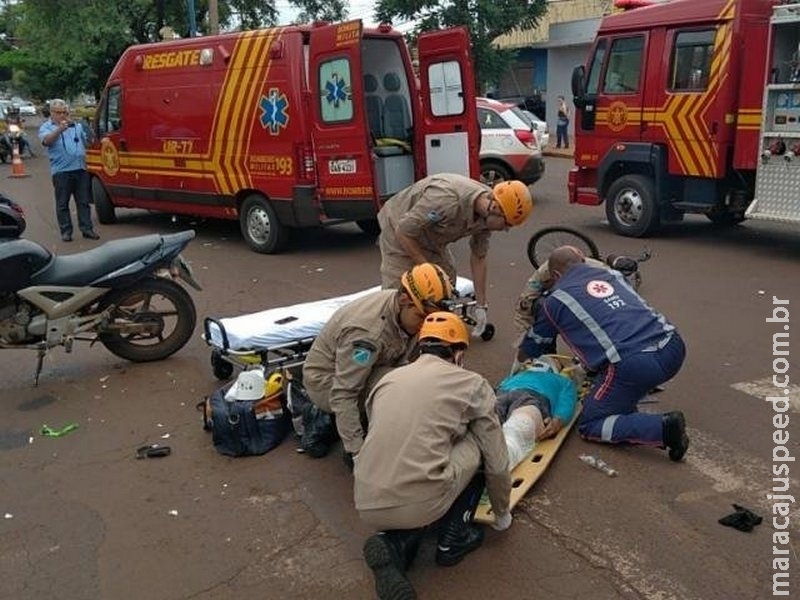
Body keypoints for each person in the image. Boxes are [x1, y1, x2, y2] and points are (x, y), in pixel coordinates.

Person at [355, 312, 512, 600]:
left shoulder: (388, 380)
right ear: (458, 352)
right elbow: (497, 462)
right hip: (422, 498)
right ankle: (453, 541)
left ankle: (394, 544)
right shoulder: (472, 383)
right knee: (480, 443)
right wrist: (502, 514)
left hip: (366, 499)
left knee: (424, 450)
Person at [517, 246, 689, 461]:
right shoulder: (612, 274)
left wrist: (518, 370)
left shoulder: (556, 301)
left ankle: (662, 429)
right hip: (673, 345)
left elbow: (534, 346)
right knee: (616, 371)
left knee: (592, 424)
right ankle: (625, 394)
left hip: (634, 364)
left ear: (556, 276)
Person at [301, 262, 454, 464]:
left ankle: (365, 419)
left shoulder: (402, 309)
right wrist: (356, 452)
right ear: (404, 299)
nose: (424, 325)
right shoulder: (368, 334)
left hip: (367, 368)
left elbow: (400, 358)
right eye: (421, 317)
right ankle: (333, 420)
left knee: (413, 382)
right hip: (326, 383)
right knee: (397, 389)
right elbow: (344, 393)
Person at [377, 173, 533, 337]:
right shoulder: (445, 200)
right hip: (399, 230)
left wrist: (481, 305)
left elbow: (479, 257)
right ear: (495, 208)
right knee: (398, 292)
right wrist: (426, 269)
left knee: (446, 281)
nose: (506, 230)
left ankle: (431, 329)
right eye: (507, 224)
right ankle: (388, 334)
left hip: (431, 238)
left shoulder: (488, 215)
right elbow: (404, 231)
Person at [495, 355, 579, 468]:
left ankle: (491, 460)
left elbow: (567, 401)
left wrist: (559, 419)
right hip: (527, 397)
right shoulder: (563, 381)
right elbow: (567, 401)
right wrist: (559, 418)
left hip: (516, 395)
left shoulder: (562, 381)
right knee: (517, 428)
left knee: (515, 429)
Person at [38, 99, 99, 242]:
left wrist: (88, 132)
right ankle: (66, 231)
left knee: (83, 202)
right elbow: (47, 141)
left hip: (80, 169)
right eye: (58, 113)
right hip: (61, 172)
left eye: (64, 112)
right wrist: (59, 129)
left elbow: (88, 142)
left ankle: (87, 229)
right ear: (51, 113)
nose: (62, 115)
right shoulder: (46, 127)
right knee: (62, 203)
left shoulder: (76, 126)